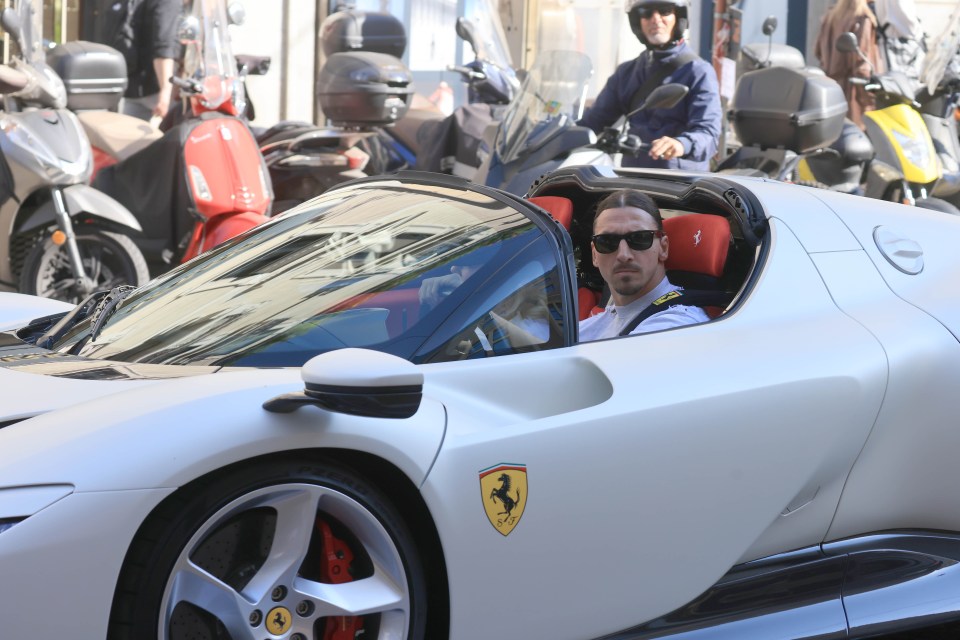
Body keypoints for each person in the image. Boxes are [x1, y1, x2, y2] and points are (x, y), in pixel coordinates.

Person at [577, 0, 722, 171]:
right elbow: (594, 120)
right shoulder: (627, 72)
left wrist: (682, 144)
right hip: (632, 178)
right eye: (646, 12)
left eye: (665, 11)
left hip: (680, 184)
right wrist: (557, 133)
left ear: (679, 17)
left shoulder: (698, 71)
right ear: (637, 21)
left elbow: (708, 134)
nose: (655, 19)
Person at [579, 189, 708, 341]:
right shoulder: (592, 325)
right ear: (594, 254)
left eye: (639, 238)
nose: (623, 255)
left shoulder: (677, 324)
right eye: (607, 242)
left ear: (663, 248)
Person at [95, 0, 181, 124]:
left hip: (130, 85)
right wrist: (166, 91)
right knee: (174, 138)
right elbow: (163, 47)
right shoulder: (168, 3)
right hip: (156, 87)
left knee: (131, 138)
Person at [814, 0, 885, 129]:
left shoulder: (831, 16)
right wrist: (871, 98)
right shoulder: (862, 18)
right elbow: (862, 64)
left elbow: (818, 51)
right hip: (854, 94)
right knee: (856, 141)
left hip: (831, 89)